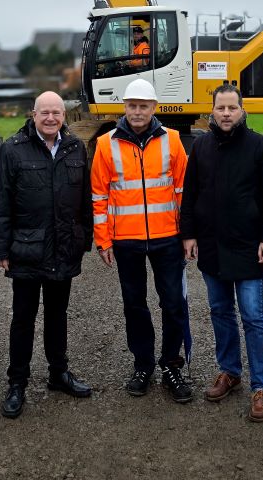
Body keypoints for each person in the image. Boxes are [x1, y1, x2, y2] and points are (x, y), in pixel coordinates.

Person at [180, 84, 263, 422]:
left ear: (242, 111)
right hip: (211, 246)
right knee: (220, 312)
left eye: (231, 108)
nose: (226, 113)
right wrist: (189, 234)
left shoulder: (261, 147)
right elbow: (190, 194)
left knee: (254, 317)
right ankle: (230, 371)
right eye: (220, 108)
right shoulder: (201, 147)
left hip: (249, 248)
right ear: (212, 110)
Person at [0, 91, 94, 418]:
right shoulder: (13, 150)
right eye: (44, 113)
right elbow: (1, 202)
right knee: (23, 318)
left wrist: (84, 238)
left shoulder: (75, 148)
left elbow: (85, 199)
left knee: (57, 314)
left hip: (63, 248)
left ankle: (58, 372)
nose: (50, 118)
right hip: (26, 249)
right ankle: (17, 383)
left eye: (56, 113)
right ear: (33, 114)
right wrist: (1, 248)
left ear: (64, 115)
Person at [90, 78, 193, 402]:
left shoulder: (173, 141)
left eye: (143, 106)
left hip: (167, 238)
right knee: (135, 305)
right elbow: (99, 196)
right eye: (132, 105)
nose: (137, 111)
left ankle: (171, 364)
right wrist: (103, 240)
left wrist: (187, 234)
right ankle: (143, 364)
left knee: (174, 303)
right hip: (127, 241)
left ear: (154, 108)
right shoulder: (106, 144)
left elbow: (183, 191)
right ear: (125, 107)